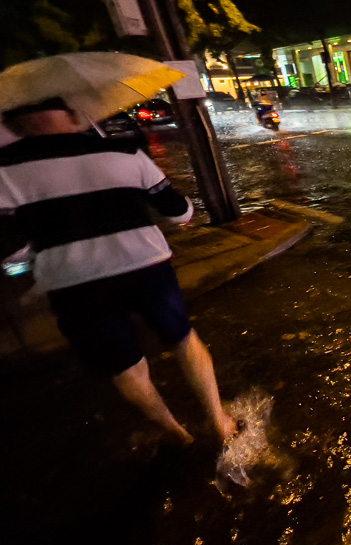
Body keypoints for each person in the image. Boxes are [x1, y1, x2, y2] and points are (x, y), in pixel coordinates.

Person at [0, 97, 237, 446]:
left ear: (16, 126)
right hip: (145, 264)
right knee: (184, 340)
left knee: (125, 365)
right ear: (72, 116)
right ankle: (218, 419)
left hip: (73, 282)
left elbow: (13, 250)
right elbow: (178, 212)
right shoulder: (125, 153)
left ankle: (177, 434)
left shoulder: (3, 171)